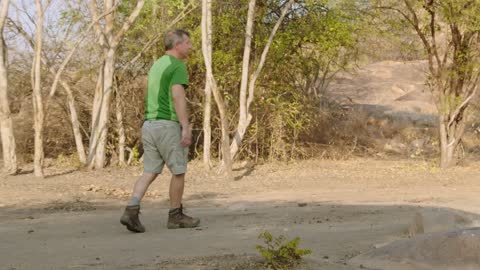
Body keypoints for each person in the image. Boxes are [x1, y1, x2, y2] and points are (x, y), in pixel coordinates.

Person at [120, 29, 199, 233]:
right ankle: (175, 216)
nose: (190, 46)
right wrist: (185, 127)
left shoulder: (157, 64)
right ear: (177, 45)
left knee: (150, 171)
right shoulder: (177, 66)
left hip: (149, 124)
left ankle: (132, 209)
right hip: (167, 125)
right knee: (179, 171)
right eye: (187, 43)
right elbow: (178, 97)